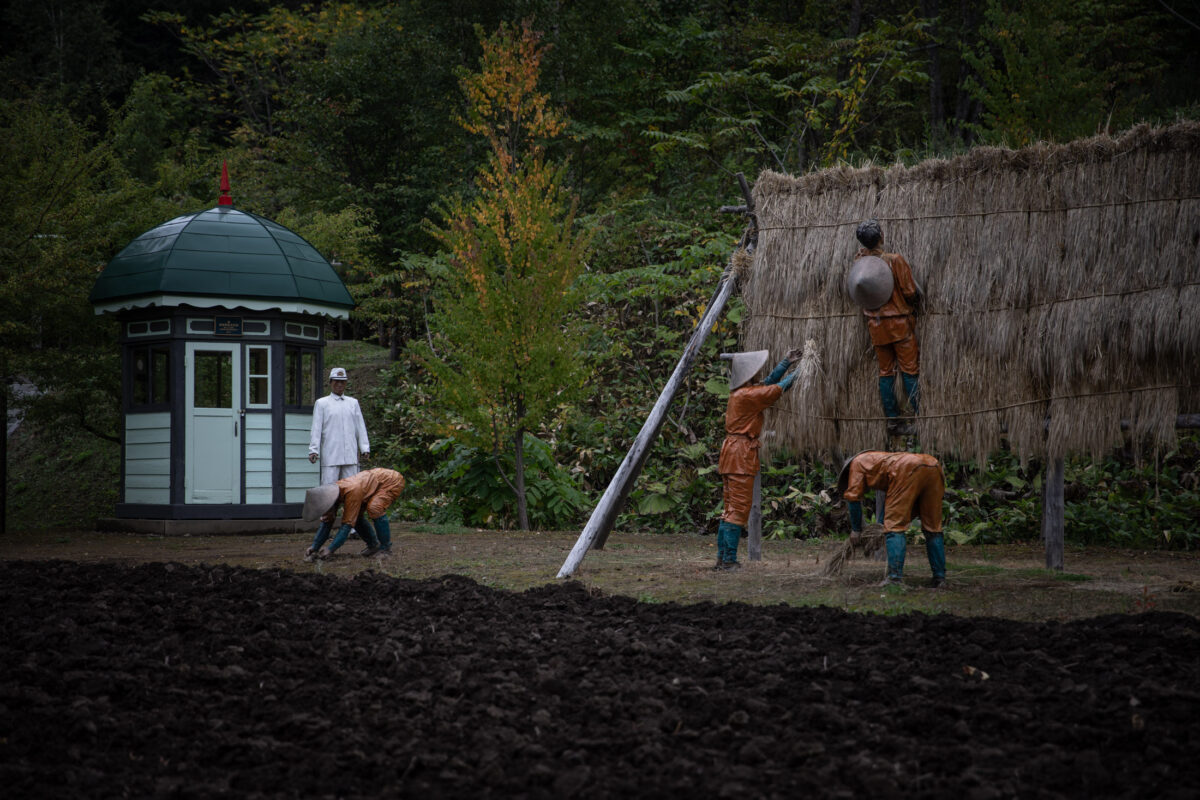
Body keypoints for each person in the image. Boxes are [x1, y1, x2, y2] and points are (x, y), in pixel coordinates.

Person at [715, 347, 803, 570]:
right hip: (740, 454)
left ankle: (723, 558)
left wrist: (786, 363)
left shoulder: (743, 393)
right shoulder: (747, 396)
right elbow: (776, 389)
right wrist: (801, 371)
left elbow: (766, 384)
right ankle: (728, 561)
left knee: (730, 508)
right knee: (739, 508)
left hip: (732, 453)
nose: (758, 373)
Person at [837, 450, 946, 587]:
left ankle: (895, 579)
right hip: (933, 465)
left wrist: (856, 530)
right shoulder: (878, 459)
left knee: (894, 527)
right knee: (933, 528)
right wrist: (881, 525)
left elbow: (853, 497)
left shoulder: (856, 464)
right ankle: (939, 578)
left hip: (905, 469)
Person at [852, 219, 922, 431]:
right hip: (900, 325)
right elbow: (910, 292)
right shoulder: (895, 260)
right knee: (909, 370)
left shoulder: (859, 263)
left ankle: (893, 419)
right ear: (881, 236)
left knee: (885, 371)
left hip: (876, 326)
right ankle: (920, 416)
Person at [302, 468, 406, 560]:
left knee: (374, 508)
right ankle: (373, 546)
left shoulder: (351, 490)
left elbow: (347, 525)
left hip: (391, 481)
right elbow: (327, 521)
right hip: (370, 485)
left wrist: (331, 549)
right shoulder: (331, 494)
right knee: (355, 516)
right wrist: (314, 547)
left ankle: (385, 549)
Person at [308, 367, 370, 484]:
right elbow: (316, 429)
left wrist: (364, 448)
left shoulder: (353, 403)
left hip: (350, 456)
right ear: (331, 382)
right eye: (336, 381)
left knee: (352, 488)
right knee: (328, 489)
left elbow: (360, 427)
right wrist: (313, 450)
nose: (339, 384)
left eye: (342, 382)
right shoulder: (322, 403)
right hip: (331, 455)